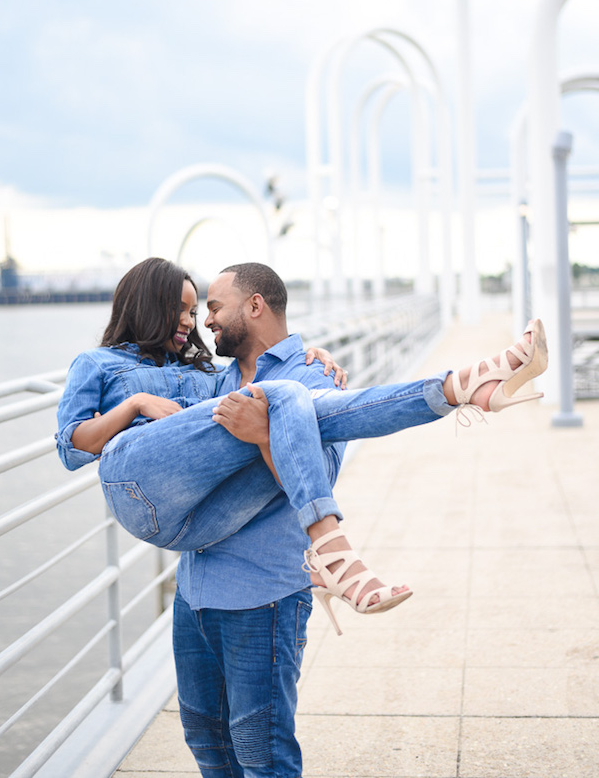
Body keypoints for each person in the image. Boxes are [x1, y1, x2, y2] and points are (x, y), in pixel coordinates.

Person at [57, 258, 547, 778]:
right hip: (172, 543)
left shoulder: (296, 374)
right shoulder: (207, 377)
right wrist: (140, 402)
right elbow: (76, 445)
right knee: (206, 739)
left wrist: (265, 433)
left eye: (211, 308)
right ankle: (461, 387)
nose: (202, 321)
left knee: (250, 751)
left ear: (255, 306)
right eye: (192, 310)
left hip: (254, 586)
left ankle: (458, 394)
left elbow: (318, 472)